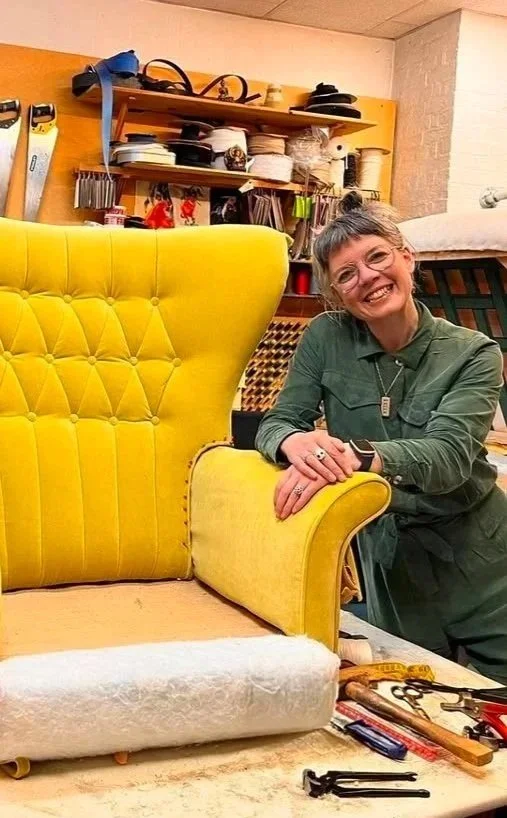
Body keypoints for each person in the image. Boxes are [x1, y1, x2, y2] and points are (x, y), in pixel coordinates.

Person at [255, 191, 507, 683]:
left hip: (484, 561)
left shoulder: (474, 353)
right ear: (337, 295)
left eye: (377, 257)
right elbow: (278, 422)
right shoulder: (326, 337)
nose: (367, 277)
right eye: (346, 274)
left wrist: (353, 455)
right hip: (391, 567)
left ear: (407, 258)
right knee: (417, 694)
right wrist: (295, 444)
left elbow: (450, 457)